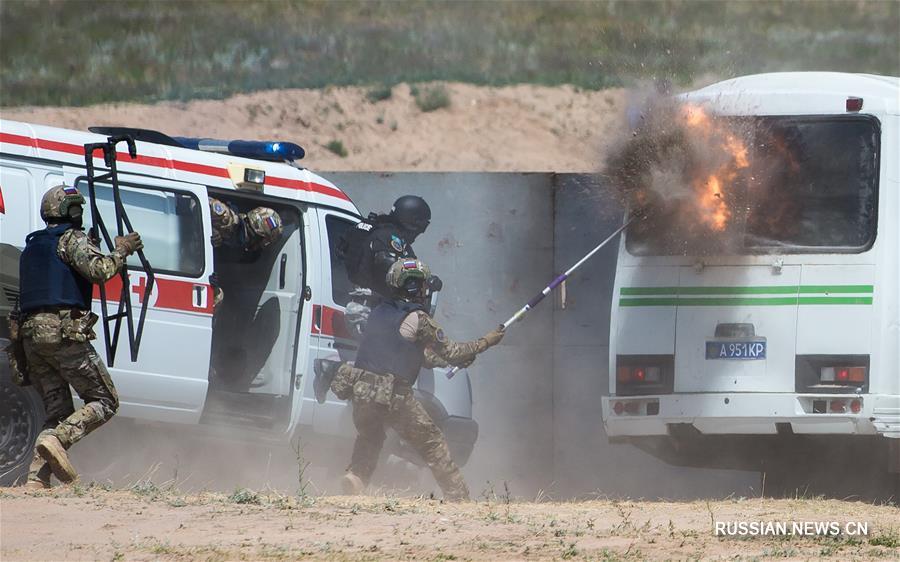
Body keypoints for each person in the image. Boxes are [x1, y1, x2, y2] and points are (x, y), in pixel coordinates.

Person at [315, 259, 503, 501]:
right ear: (416, 287)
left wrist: (444, 361)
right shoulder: (418, 318)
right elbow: (453, 351)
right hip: (394, 394)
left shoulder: (379, 312)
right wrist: (486, 342)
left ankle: (356, 478)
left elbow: (408, 352)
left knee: (370, 438)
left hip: (361, 389)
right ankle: (459, 497)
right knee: (433, 443)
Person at [16, 185, 143, 489]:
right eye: (78, 208)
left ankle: (37, 477)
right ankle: (57, 440)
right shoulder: (71, 239)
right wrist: (121, 249)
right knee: (105, 400)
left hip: (31, 338)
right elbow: (100, 271)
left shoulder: (32, 246)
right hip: (62, 334)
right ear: (70, 211)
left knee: (58, 410)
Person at [339, 195, 435, 335]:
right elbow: (391, 266)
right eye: (418, 229)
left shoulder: (369, 230)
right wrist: (422, 280)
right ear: (411, 223)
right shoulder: (390, 238)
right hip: (370, 313)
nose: (417, 235)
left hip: (356, 307)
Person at [208, 198, 284, 306]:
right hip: (185, 256)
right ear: (256, 233)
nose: (262, 245)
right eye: (263, 240)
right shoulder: (226, 218)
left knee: (218, 297)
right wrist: (208, 232)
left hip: (202, 271)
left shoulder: (245, 253)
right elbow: (193, 202)